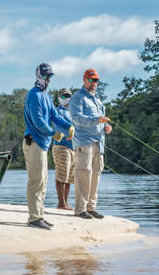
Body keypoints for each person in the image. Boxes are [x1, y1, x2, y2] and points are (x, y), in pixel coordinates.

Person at [23, 63, 74, 230]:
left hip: (42, 144)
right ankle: (34, 218)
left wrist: (68, 126)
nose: (48, 79)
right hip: (34, 141)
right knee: (36, 181)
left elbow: (55, 115)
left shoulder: (45, 95)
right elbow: (38, 121)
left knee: (43, 181)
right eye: (45, 76)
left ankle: (39, 215)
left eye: (50, 76)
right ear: (38, 75)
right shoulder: (34, 95)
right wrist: (54, 133)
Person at [69, 68, 112, 219]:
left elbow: (100, 121)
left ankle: (91, 207)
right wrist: (97, 121)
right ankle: (80, 209)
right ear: (84, 80)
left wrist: (106, 127)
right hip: (84, 142)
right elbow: (77, 119)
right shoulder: (77, 98)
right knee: (83, 174)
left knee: (96, 174)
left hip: (99, 142)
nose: (95, 83)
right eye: (92, 80)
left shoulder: (98, 99)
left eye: (96, 80)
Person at [51, 88, 75, 210]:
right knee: (61, 174)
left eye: (68, 95)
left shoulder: (73, 112)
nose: (66, 98)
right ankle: (61, 204)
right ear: (59, 97)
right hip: (61, 146)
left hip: (73, 148)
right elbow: (60, 124)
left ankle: (65, 203)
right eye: (64, 96)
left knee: (69, 177)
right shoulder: (57, 111)